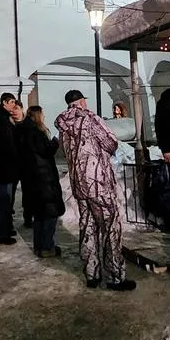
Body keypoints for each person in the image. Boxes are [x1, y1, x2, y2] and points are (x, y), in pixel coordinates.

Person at [55, 89, 136, 291]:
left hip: (79, 183)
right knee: (110, 228)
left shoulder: (63, 126)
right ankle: (115, 277)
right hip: (97, 182)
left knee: (88, 227)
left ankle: (92, 274)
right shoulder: (90, 119)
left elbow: (65, 151)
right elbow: (111, 142)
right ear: (81, 101)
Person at [19, 105, 65, 257]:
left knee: (39, 214)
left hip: (33, 178)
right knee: (49, 214)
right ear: (38, 115)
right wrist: (56, 141)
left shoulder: (24, 131)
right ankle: (46, 247)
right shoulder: (35, 132)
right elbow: (46, 150)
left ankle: (39, 245)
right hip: (43, 178)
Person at [0, 92, 20, 244]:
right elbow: (7, 145)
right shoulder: (1, 121)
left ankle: (6, 227)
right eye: (12, 102)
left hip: (8, 167)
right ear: (4, 103)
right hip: (5, 167)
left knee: (8, 200)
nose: (14, 104)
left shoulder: (3, 119)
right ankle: (1, 234)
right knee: (3, 201)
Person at [9, 100, 34, 229]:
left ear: (22, 109)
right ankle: (8, 220)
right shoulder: (9, 125)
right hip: (13, 164)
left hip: (27, 165)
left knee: (28, 192)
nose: (14, 111)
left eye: (16, 108)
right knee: (10, 193)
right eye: (12, 109)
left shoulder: (28, 124)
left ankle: (28, 217)